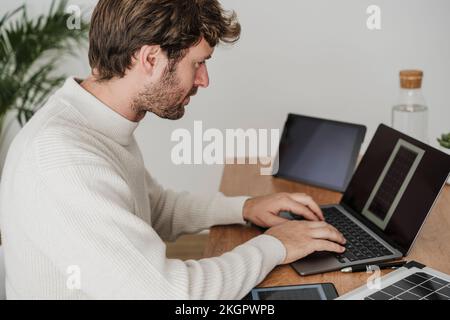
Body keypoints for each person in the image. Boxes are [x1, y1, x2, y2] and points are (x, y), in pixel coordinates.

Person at [0, 0, 345, 299]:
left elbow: (155, 208)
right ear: (151, 58)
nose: (204, 80)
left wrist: (245, 207)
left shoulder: (95, 124)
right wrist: (277, 244)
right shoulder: (65, 160)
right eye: (197, 63)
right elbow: (173, 294)